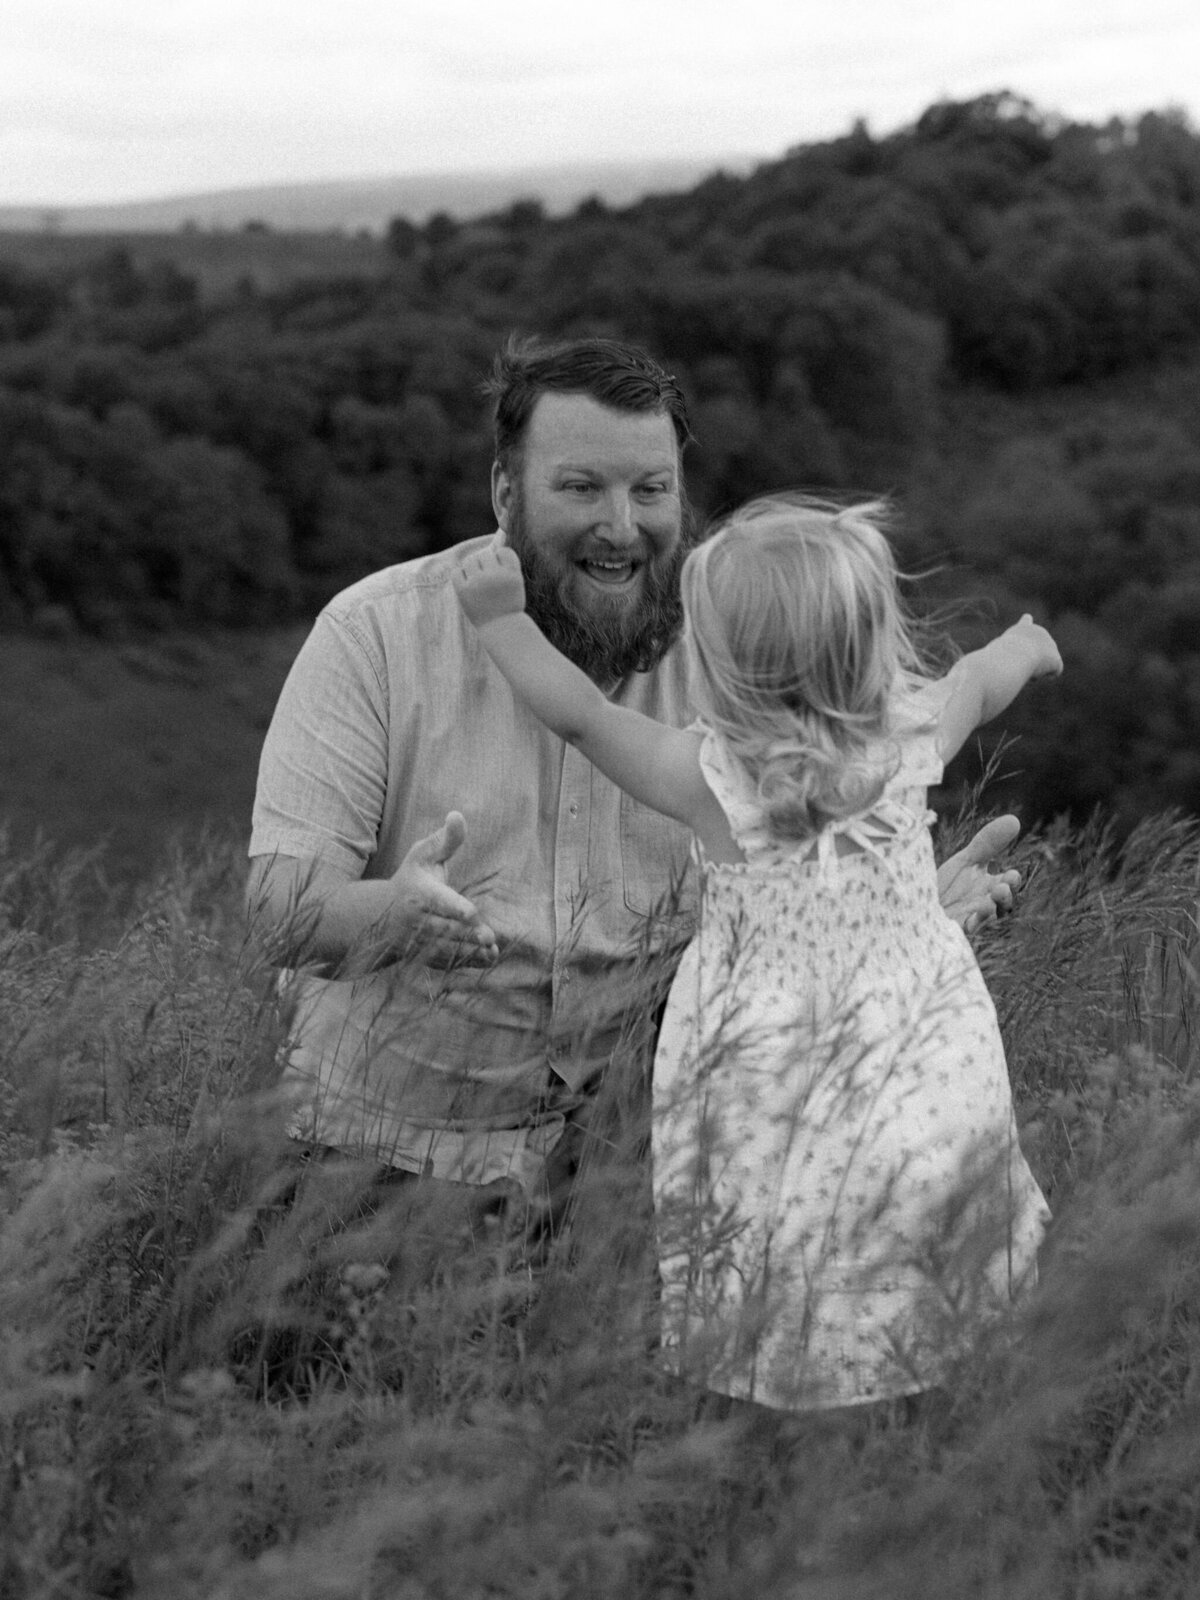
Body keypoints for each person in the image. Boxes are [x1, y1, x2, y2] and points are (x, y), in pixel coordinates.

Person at [246, 335, 1021, 1255]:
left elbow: (799, 868)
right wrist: (391, 914)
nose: (623, 525)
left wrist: (905, 916)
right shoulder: (374, 635)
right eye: (581, 488)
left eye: (650, 490)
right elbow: (278, 911)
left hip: (653, 1163)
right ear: (505, 495)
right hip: (388, 1150)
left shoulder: (748, 653)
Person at [452, 492, 1058, 1411]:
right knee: (917, 1194)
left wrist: (500, 621)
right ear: (870, 643)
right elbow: (983, 673)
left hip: (768, 1063)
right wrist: (1029, 643)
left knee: (783, 1231)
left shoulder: (714, 781)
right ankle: (931, 1355)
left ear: (723, 669)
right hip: (919, 1038)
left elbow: (579, 717)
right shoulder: (913, 734)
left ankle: (787, 1383)